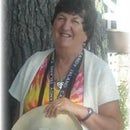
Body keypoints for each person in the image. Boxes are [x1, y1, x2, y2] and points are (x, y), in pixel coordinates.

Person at [9, 0, 122, 129]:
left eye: (75, 21)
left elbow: (116, 127)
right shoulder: (33, 63)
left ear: (86, 34)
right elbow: (17, 121)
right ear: (53, 25)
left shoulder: (100, 71)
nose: (65, 26)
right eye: (61, 18)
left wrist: (78, 110)